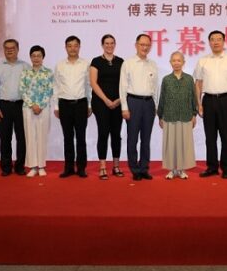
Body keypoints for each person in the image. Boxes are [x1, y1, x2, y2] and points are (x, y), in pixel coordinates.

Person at [194, 30, 227, 179]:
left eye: (219, 39)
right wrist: (199, 104)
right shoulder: (203, 60)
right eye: (213, 39)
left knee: (226, 137)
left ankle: (226, 168)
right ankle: (212, 167)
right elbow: (198, 83)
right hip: (208, 100)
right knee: (210, 137)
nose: (216, 42)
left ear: (224, 42)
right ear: (209, 42)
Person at [119, 34, 159, 181]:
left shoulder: (153, 64)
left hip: (149, 104)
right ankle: (134, 169)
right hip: (133, 103)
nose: (145, 47)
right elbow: (122, 86)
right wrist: (124, 107)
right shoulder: (128, 63)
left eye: (147, 45)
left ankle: (144, 168)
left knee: (146, 139)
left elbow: (155, 87)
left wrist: (155, 105)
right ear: (136, 45)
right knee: (133, 138)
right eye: (142, 44)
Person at [54, 36, 92, 178]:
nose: (72, 48)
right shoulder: (60, 65)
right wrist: (56, 106)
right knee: (67, 138)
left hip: (81, 104)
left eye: (75, 45)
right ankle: (68, 167)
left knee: (81, 138)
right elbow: (56, 86)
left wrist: (89, 104)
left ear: (79, 47)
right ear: (65, 47)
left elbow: (89, 86)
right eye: (70, 46)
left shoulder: (85, 64)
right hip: (64, 104)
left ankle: (81, 167)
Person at [0, 39, 29, 176]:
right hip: (4, 106)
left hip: (21, 106)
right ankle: (6, 167)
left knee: (22, 138)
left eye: (12, 48)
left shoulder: (26, 66)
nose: (9, 50)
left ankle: (20, 166)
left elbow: (30, 87)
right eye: (6, 48)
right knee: (5, 138)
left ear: (18, 49)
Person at [157, 51, 198, 180]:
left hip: (185, 116)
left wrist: (194, 114)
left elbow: (193, 97)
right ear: (170, 63)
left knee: (183, 144)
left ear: (183, 62)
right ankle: (171, 169)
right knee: (171, 144)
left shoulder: (189, 79)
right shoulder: (166, 80)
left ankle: (181, 169)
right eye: (173, 60)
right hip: (169, 116)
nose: (176, 63)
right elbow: (162, 98)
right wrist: (160, 116)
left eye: (179, 60)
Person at [90, 34, 125, 180]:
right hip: (100, 103)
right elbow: (93, 83)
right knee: (103, 133)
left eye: (112, 43)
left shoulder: (121, 61)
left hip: (118, 102)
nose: (109, 46)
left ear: (115, 44)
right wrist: (106, 100)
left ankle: (116, 166)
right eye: (106, 43)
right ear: (102, 45)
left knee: (116, 135)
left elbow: (125, 83)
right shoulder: (96, 61)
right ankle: (103, 167)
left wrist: (118, 100)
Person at [20, 45, 54, 177]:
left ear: (43, 57)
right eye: (33, 56)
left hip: (43, 109)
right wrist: (32, 104)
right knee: (30, 136)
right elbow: (22, 90)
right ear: (30, 57)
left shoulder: (48, 72)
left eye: (39, 56)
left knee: (41, 136)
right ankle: (33, 167)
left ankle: (41, 166)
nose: (36, 58)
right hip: (28, 109)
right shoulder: (25, 72)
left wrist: (40, 105)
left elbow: (50, 90)